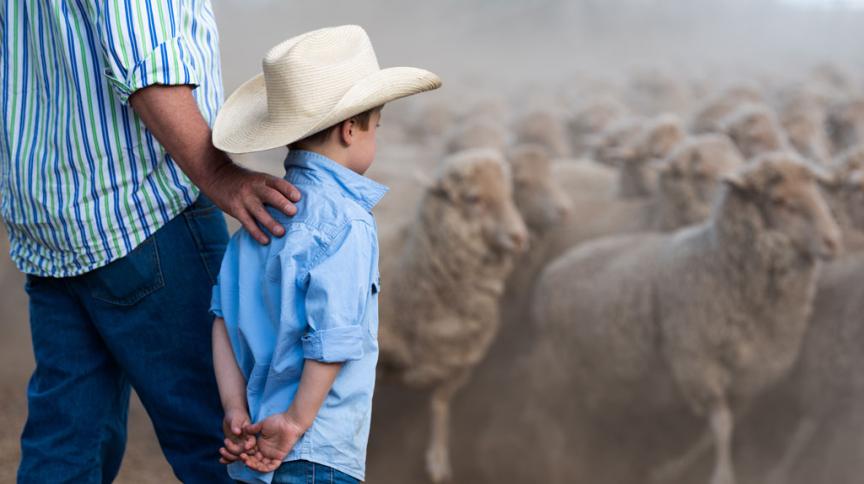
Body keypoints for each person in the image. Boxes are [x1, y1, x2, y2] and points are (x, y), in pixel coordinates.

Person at [1, 2, 300, 482]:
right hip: (142, 207)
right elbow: (146, 58)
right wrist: (217, 174)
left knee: (65, 441)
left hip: (53, 212)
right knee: (230, 439)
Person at [208, 25, 441, 483]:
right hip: (316, 447)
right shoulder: (348, 224)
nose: (375, 139)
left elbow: (222, 323)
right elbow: (333, 336)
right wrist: (295, 420)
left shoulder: (254, 222)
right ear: (350, 129)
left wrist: (235, 409)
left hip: (252, 447)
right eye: (377, 128)